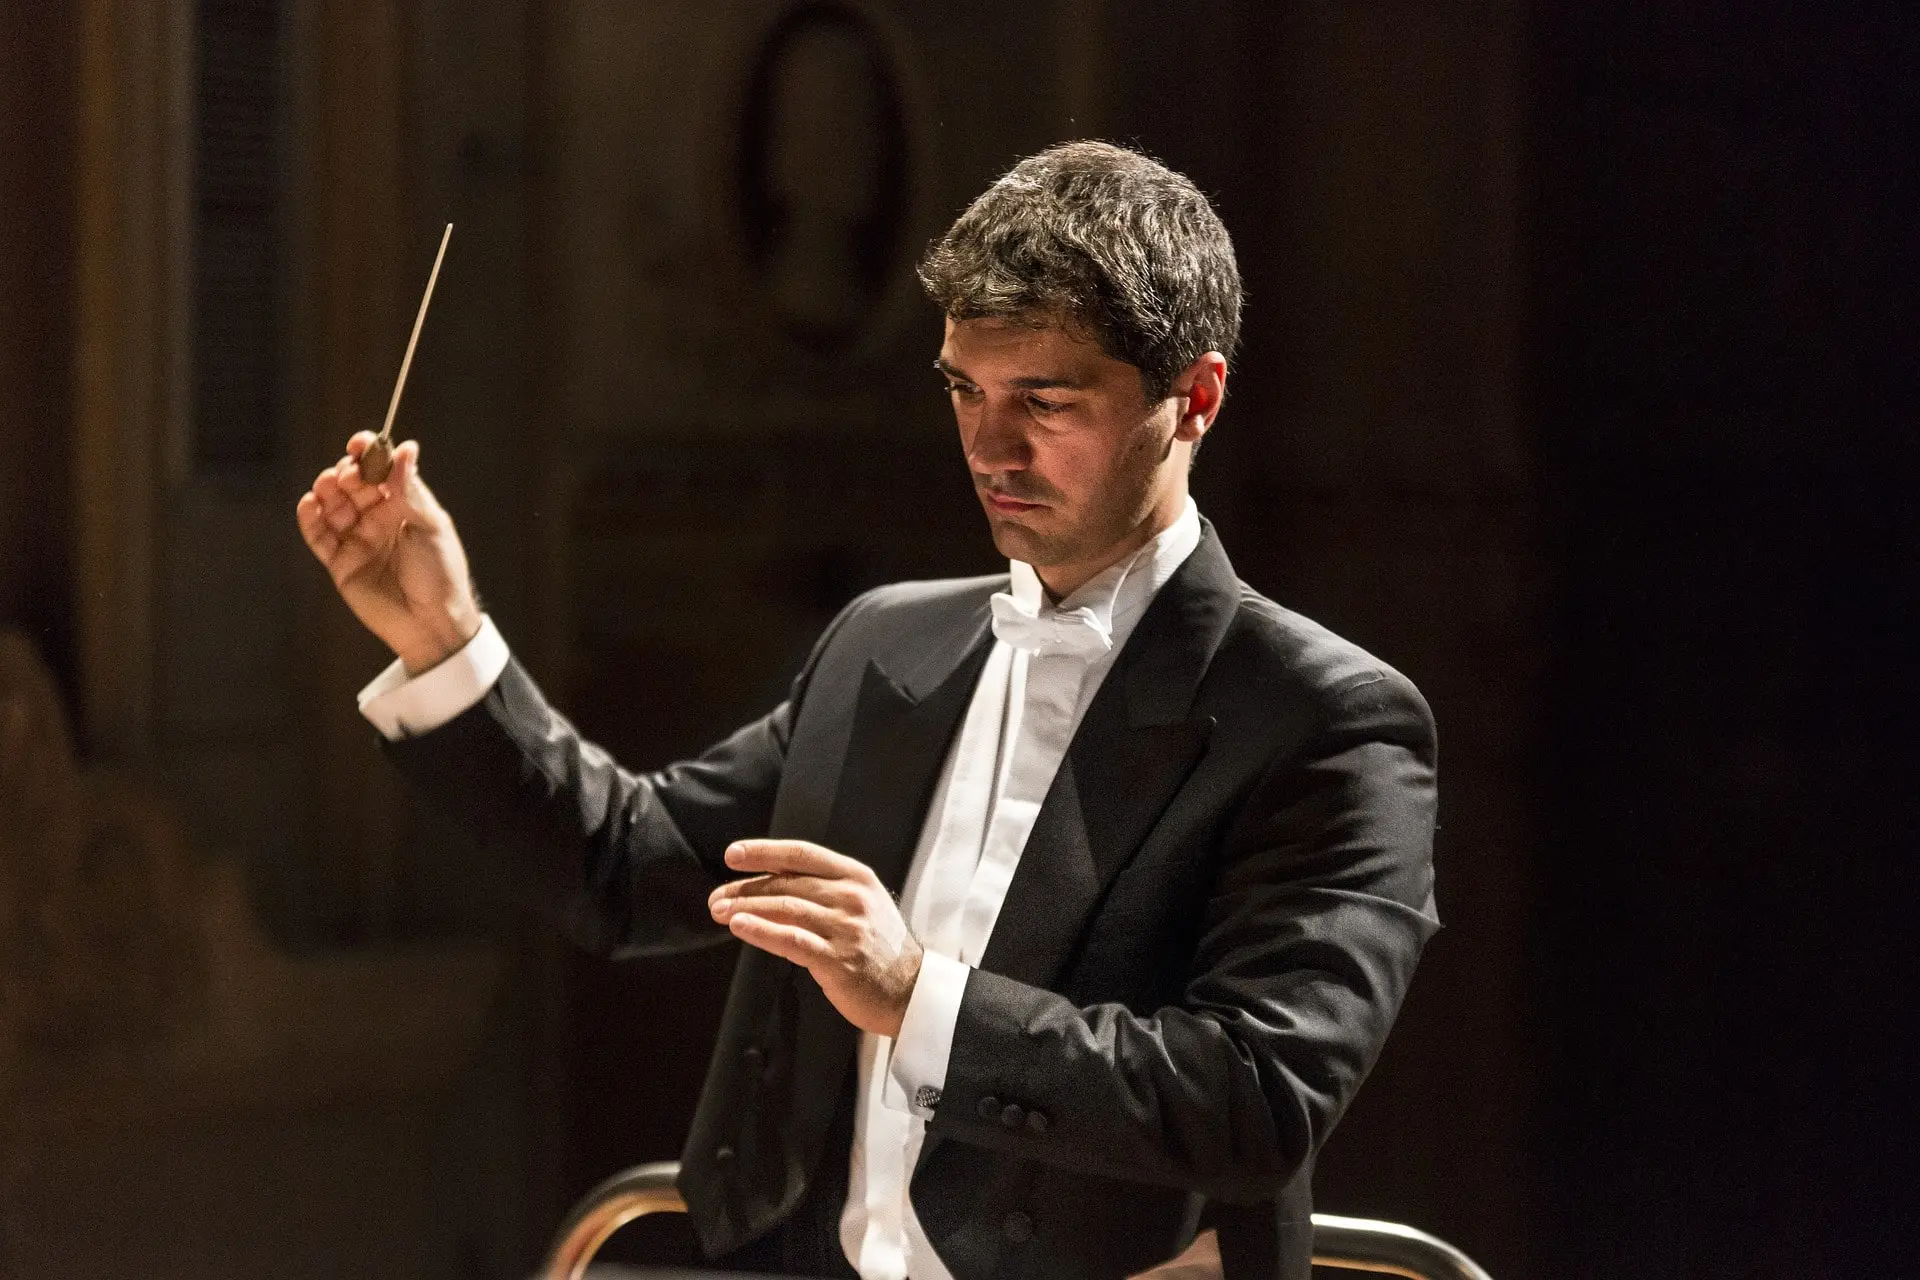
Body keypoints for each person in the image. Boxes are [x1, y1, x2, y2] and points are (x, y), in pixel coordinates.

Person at [296, 141, 1438, 1280]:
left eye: (1044, 399)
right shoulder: (885, 642)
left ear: (1194, 397)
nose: (991, 447)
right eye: (964, 390)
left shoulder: (1324, 717)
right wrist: (443, 638)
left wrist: (914, 992)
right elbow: (622, 864)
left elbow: (1257, 1095)